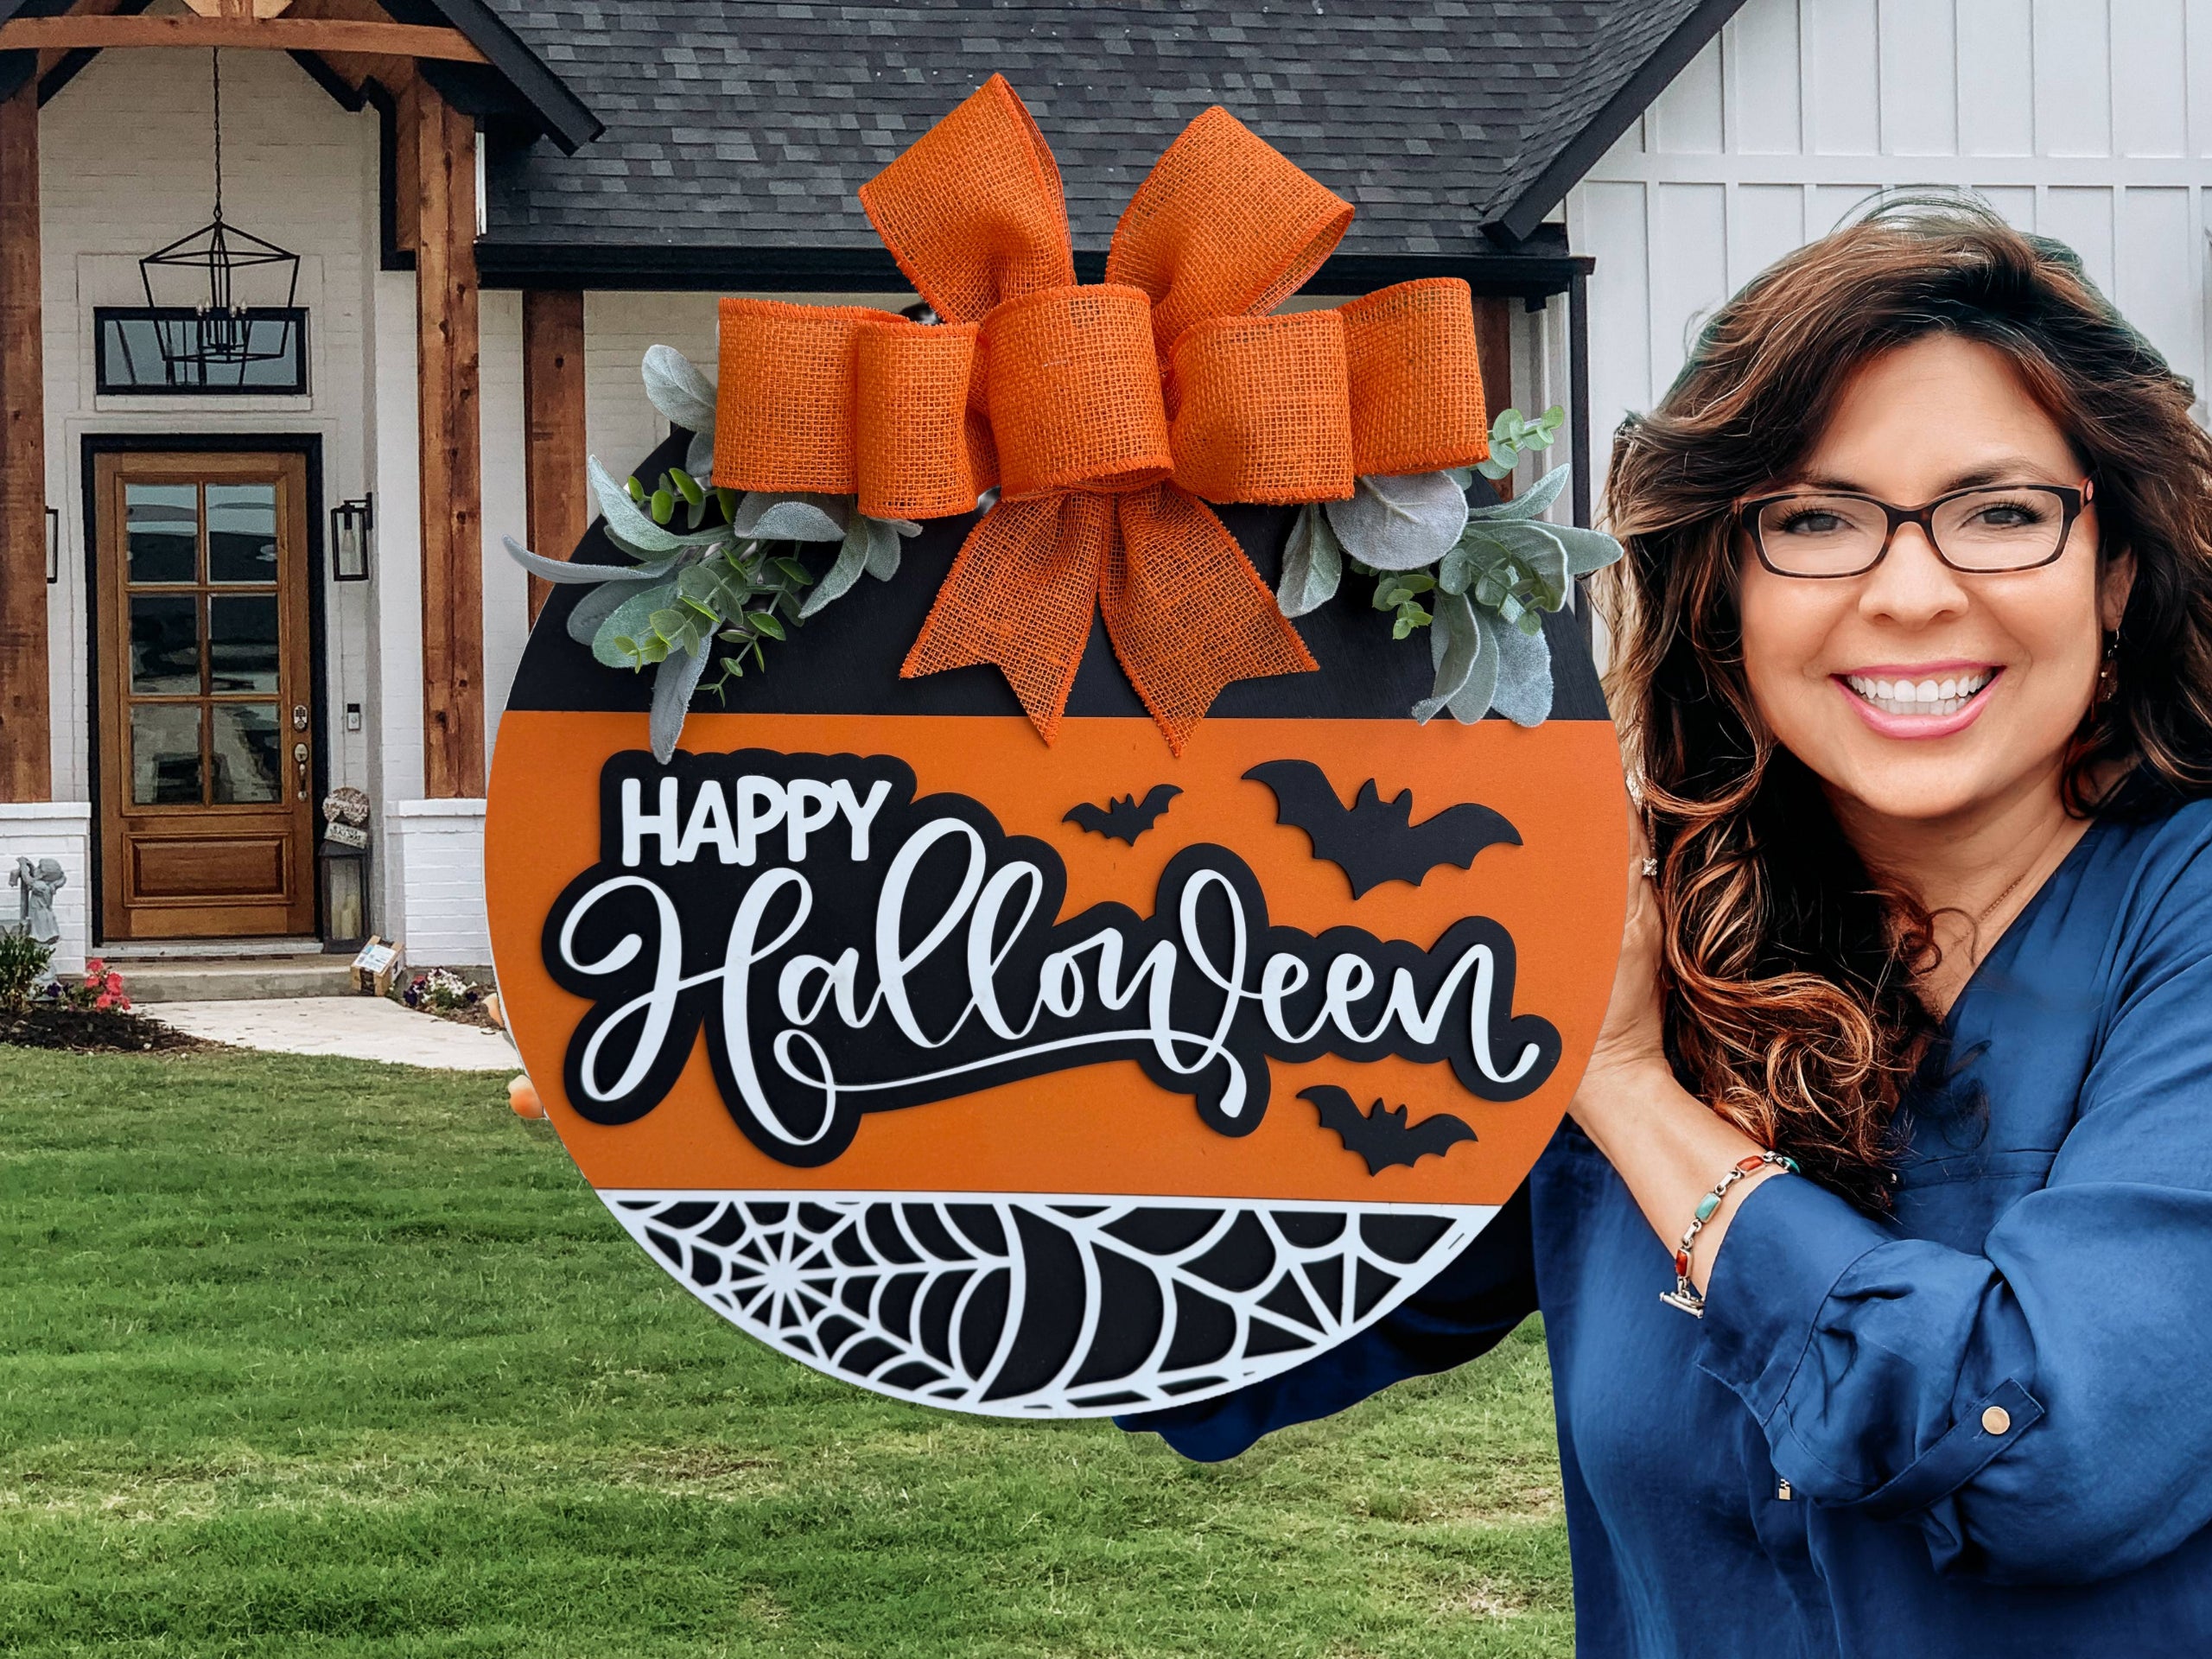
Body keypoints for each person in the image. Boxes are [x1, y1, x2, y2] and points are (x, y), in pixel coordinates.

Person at [1122, 198, 2212, 1656]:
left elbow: (2048, 1456)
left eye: (2000, 512)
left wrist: (1630, 1091)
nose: (1908, 591)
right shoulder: (1651, 929)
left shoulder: (2180, 926)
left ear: (2117, 572)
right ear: (1725, 597)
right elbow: (1226, 1347)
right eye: (1815, 520)